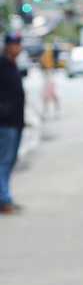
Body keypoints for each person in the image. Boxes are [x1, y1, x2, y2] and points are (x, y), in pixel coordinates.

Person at [0, 32, 25, 214]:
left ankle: (6, 197)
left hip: (16, 121)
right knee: (4, 161)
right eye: (14, 44)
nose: (18, 47)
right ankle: (3, 199)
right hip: (5, 122)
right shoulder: (2, 65)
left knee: (10, 161)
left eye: (19, 44)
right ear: (7, 46)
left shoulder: (13, 65)